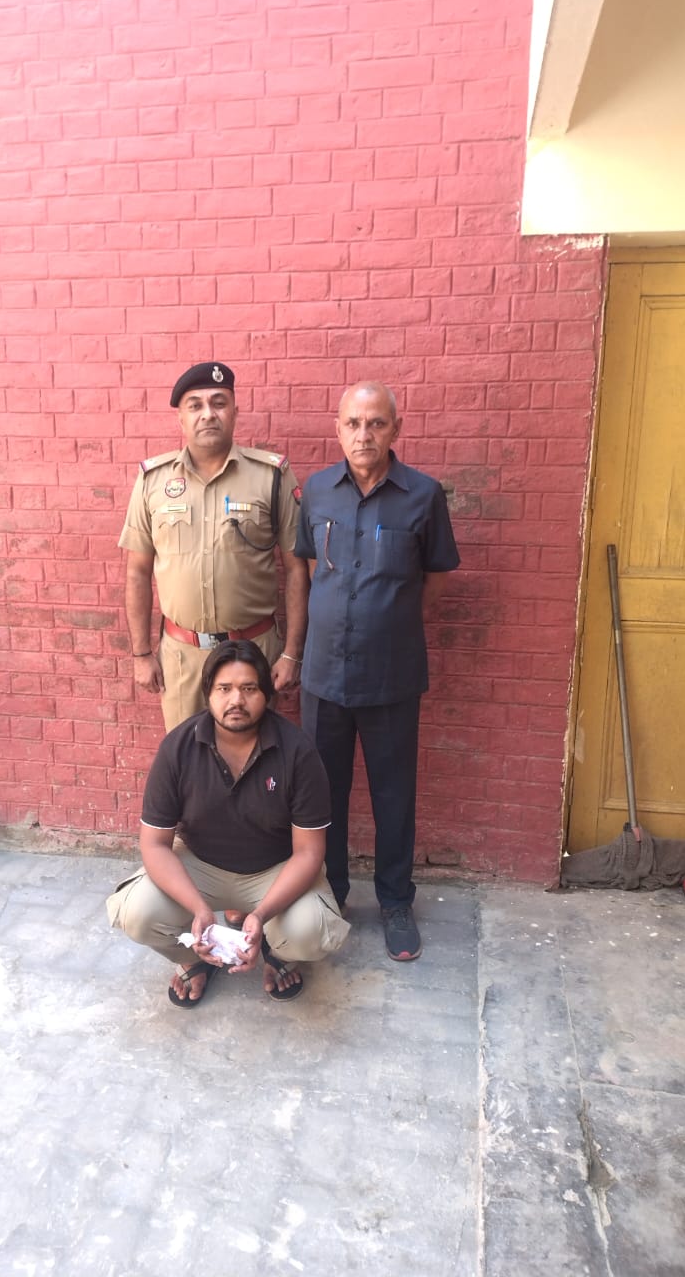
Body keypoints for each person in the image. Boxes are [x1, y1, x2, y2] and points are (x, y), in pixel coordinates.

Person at [294, 381, 460, 963]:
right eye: (353, 423)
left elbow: (434, 579)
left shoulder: (423, 496)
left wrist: (388, 620)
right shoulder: (317, 491)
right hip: (324, 676)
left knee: (393, 794)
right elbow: (309, 570)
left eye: (376, 423)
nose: (363, 435)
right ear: (337, 429)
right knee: (323, 795)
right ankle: (330, 893)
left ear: (395, 429)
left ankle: (394, 902)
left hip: (392, 676)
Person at [105, 640, 350, 1007]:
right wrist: (199, 910)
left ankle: (277, 954)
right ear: (208, 693)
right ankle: (195, 959)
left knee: (312, 931)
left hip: (275, 869)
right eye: (224, 688)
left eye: (249, 688)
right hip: (200, 864)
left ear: (266, 695)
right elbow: (154, 844)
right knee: (137, 913)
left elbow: (309, 853)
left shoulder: (298, 752)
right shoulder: (178, 748)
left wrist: (261, 915)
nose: (236, 700)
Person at [119, 361, 308, 731]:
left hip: (254, 653)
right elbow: (137, 572)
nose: (208, 413)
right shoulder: (153, 481)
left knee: (255, 756)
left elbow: (296, 569)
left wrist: (291, 654)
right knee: (188, 757)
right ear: (181, 418)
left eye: (219, 403)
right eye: (195, 405)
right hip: (181, 659)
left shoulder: (271, 477)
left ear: (234, 411)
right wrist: (141, 653)